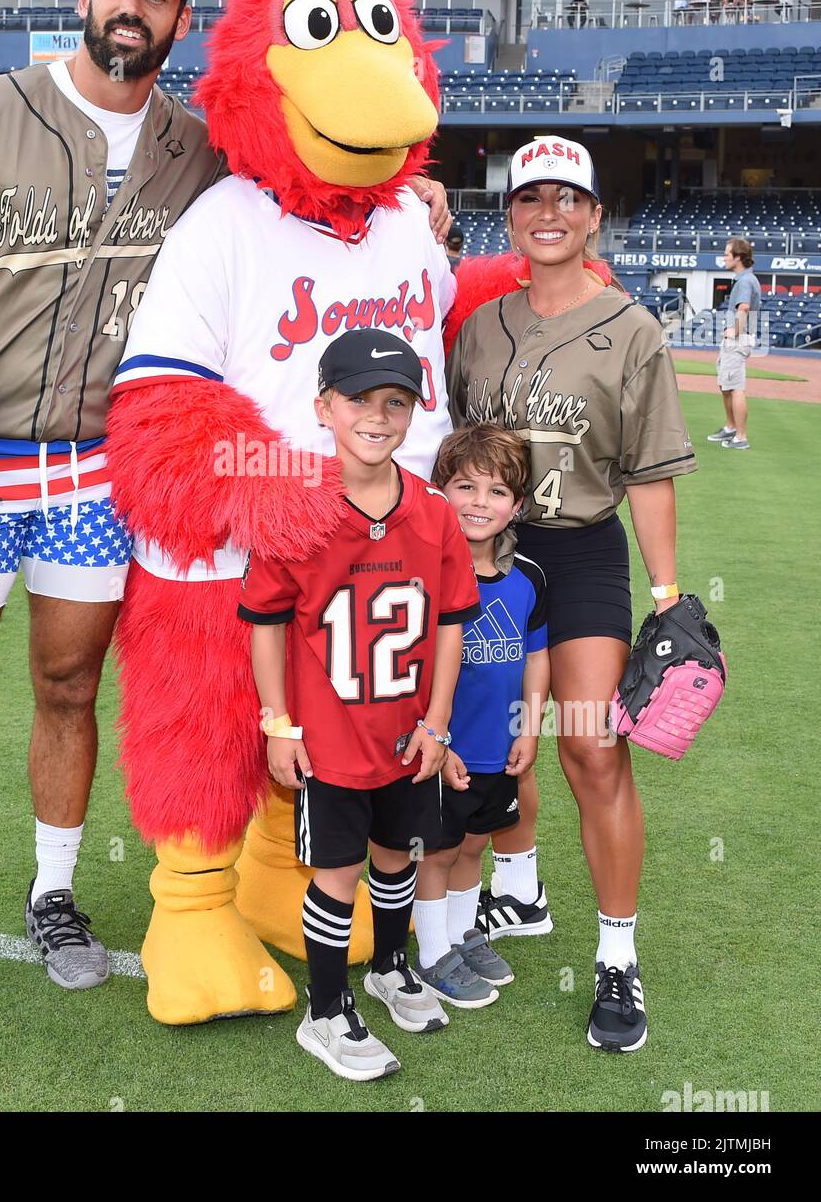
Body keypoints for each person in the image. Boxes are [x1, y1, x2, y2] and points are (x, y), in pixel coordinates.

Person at [0, 0, 452, 1017]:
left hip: (102, 473)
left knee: (69, 685)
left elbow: (302, 177)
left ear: (179, 18)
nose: (133, 7)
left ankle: (56, 892)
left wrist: (409, 198)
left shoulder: (195, 144)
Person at [446, 134, 697, 1052]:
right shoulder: (480, 326)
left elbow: (649, 473)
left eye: (566, 198)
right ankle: (510, 896)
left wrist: (667, 594)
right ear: (508, 215)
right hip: (488, 553)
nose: (546, 213)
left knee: (589, 747)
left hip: (582, 550)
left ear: (593, 215)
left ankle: (618, 958)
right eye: (528, 199)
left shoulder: (631, 327)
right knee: (477, 733)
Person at [239, 329, 482, 1080]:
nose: (376, 416)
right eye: (358, 400)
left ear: (413, 410)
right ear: (324, 406)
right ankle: (324, 1012)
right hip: (333, 738)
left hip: (408, 733)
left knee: (396, 857)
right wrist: (278, 724)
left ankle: (389, 966)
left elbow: (448, 626)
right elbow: (266, 626)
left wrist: (438, 724)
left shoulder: (435, 514)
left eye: (395, 401)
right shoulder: (295, 510)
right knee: (337, 873)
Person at [412, 423, 551, 1007]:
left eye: (496, 492)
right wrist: (434, 737)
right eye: (465, 487)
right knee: (437, 851)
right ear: (438, 491)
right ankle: (430, 952)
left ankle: (463, 933)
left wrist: (531, 721)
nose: (479, 503)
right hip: (446, 747)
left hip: (499, 743)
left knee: (473, 846)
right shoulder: (424, 572)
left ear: (516, 506)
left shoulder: (530, 577)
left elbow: (536, 653)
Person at [708, 237, 763, 452]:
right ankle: (731, 427)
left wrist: (734, 331)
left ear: (738, 257)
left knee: (735, 387)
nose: (724, 257)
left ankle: (741, 437)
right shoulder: (744, 279)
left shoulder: (745, 281)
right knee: (725, 384)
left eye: (727, 253)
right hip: (736, 339)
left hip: (738, 339)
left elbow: (744, 308)